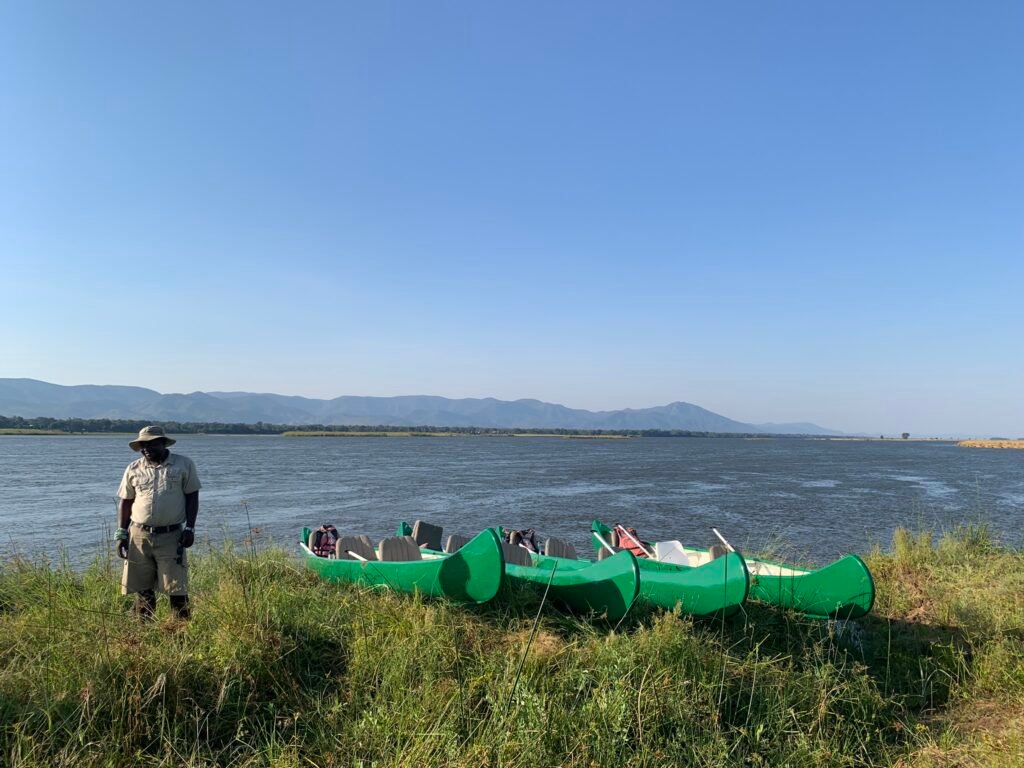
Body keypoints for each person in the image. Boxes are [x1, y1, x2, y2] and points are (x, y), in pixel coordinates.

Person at [115, 425, 201, 619]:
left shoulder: (183, 465)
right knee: (142, 589)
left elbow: (192, 497)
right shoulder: (133, 468)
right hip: (138, 536)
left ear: (163, 443)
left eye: (151, 444)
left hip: (172, 536)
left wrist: (190, 528)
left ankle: (181, 632)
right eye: (142, 445)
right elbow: (126, 501)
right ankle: (144, 632)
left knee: (176, 589)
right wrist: (121, 533)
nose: (146, 448)